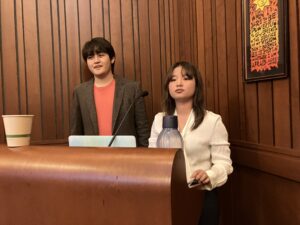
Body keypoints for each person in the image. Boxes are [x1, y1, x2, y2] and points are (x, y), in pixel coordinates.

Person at [148, 61, 233, 225]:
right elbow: (152, 157)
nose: (178, 83)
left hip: (200, 195)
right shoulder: (159, 120)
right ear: (168, 86)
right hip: (165, 196)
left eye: (186, 78)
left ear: (197, 84)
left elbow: (224, 163)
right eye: (173, 79)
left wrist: (209, 175)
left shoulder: (212, 121)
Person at [70, 37, 150, 147]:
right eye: (90, 57)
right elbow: (76, 133)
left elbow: (143, 131)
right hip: (92, 158)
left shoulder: (132, 89)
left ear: (112, 58)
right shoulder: (80, 92)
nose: (96, 60)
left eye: (101, 55)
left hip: (126, 159)